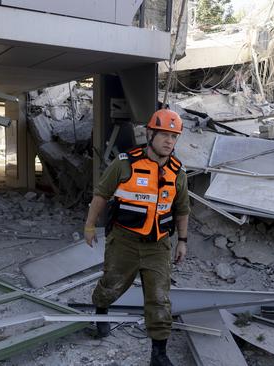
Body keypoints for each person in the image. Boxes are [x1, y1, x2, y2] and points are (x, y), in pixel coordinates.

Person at [84, 108, 189, 366]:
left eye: (173, 137)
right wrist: (89, 226)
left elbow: (183, 210)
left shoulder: (178, 173)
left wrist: (183, 241)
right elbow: (100, 195)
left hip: (159, 245)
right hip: (124, 242)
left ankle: (159, 354)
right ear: (150, 134)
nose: (168, 141)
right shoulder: (124, 164)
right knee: (112, 285)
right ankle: (101, 309)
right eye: (164, 134)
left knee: (159, 298)